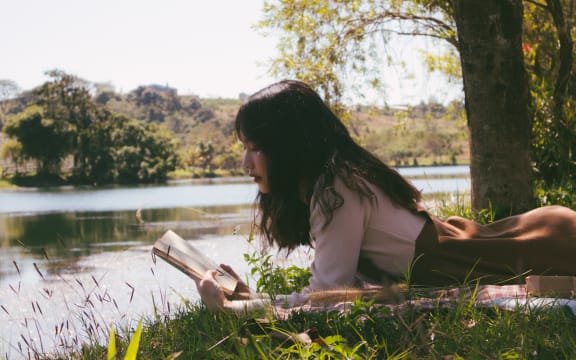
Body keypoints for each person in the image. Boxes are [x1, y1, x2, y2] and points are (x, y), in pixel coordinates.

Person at [196, 79, 576, 313]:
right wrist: (249, 296)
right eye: (244, 146)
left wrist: (246, 305)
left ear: (288, 146)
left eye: (255, 146)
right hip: (508, 243)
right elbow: (337, 289)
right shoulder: (333, 180)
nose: (245, 161)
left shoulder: (337, 187)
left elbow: (326, 295)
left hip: (543, 247)